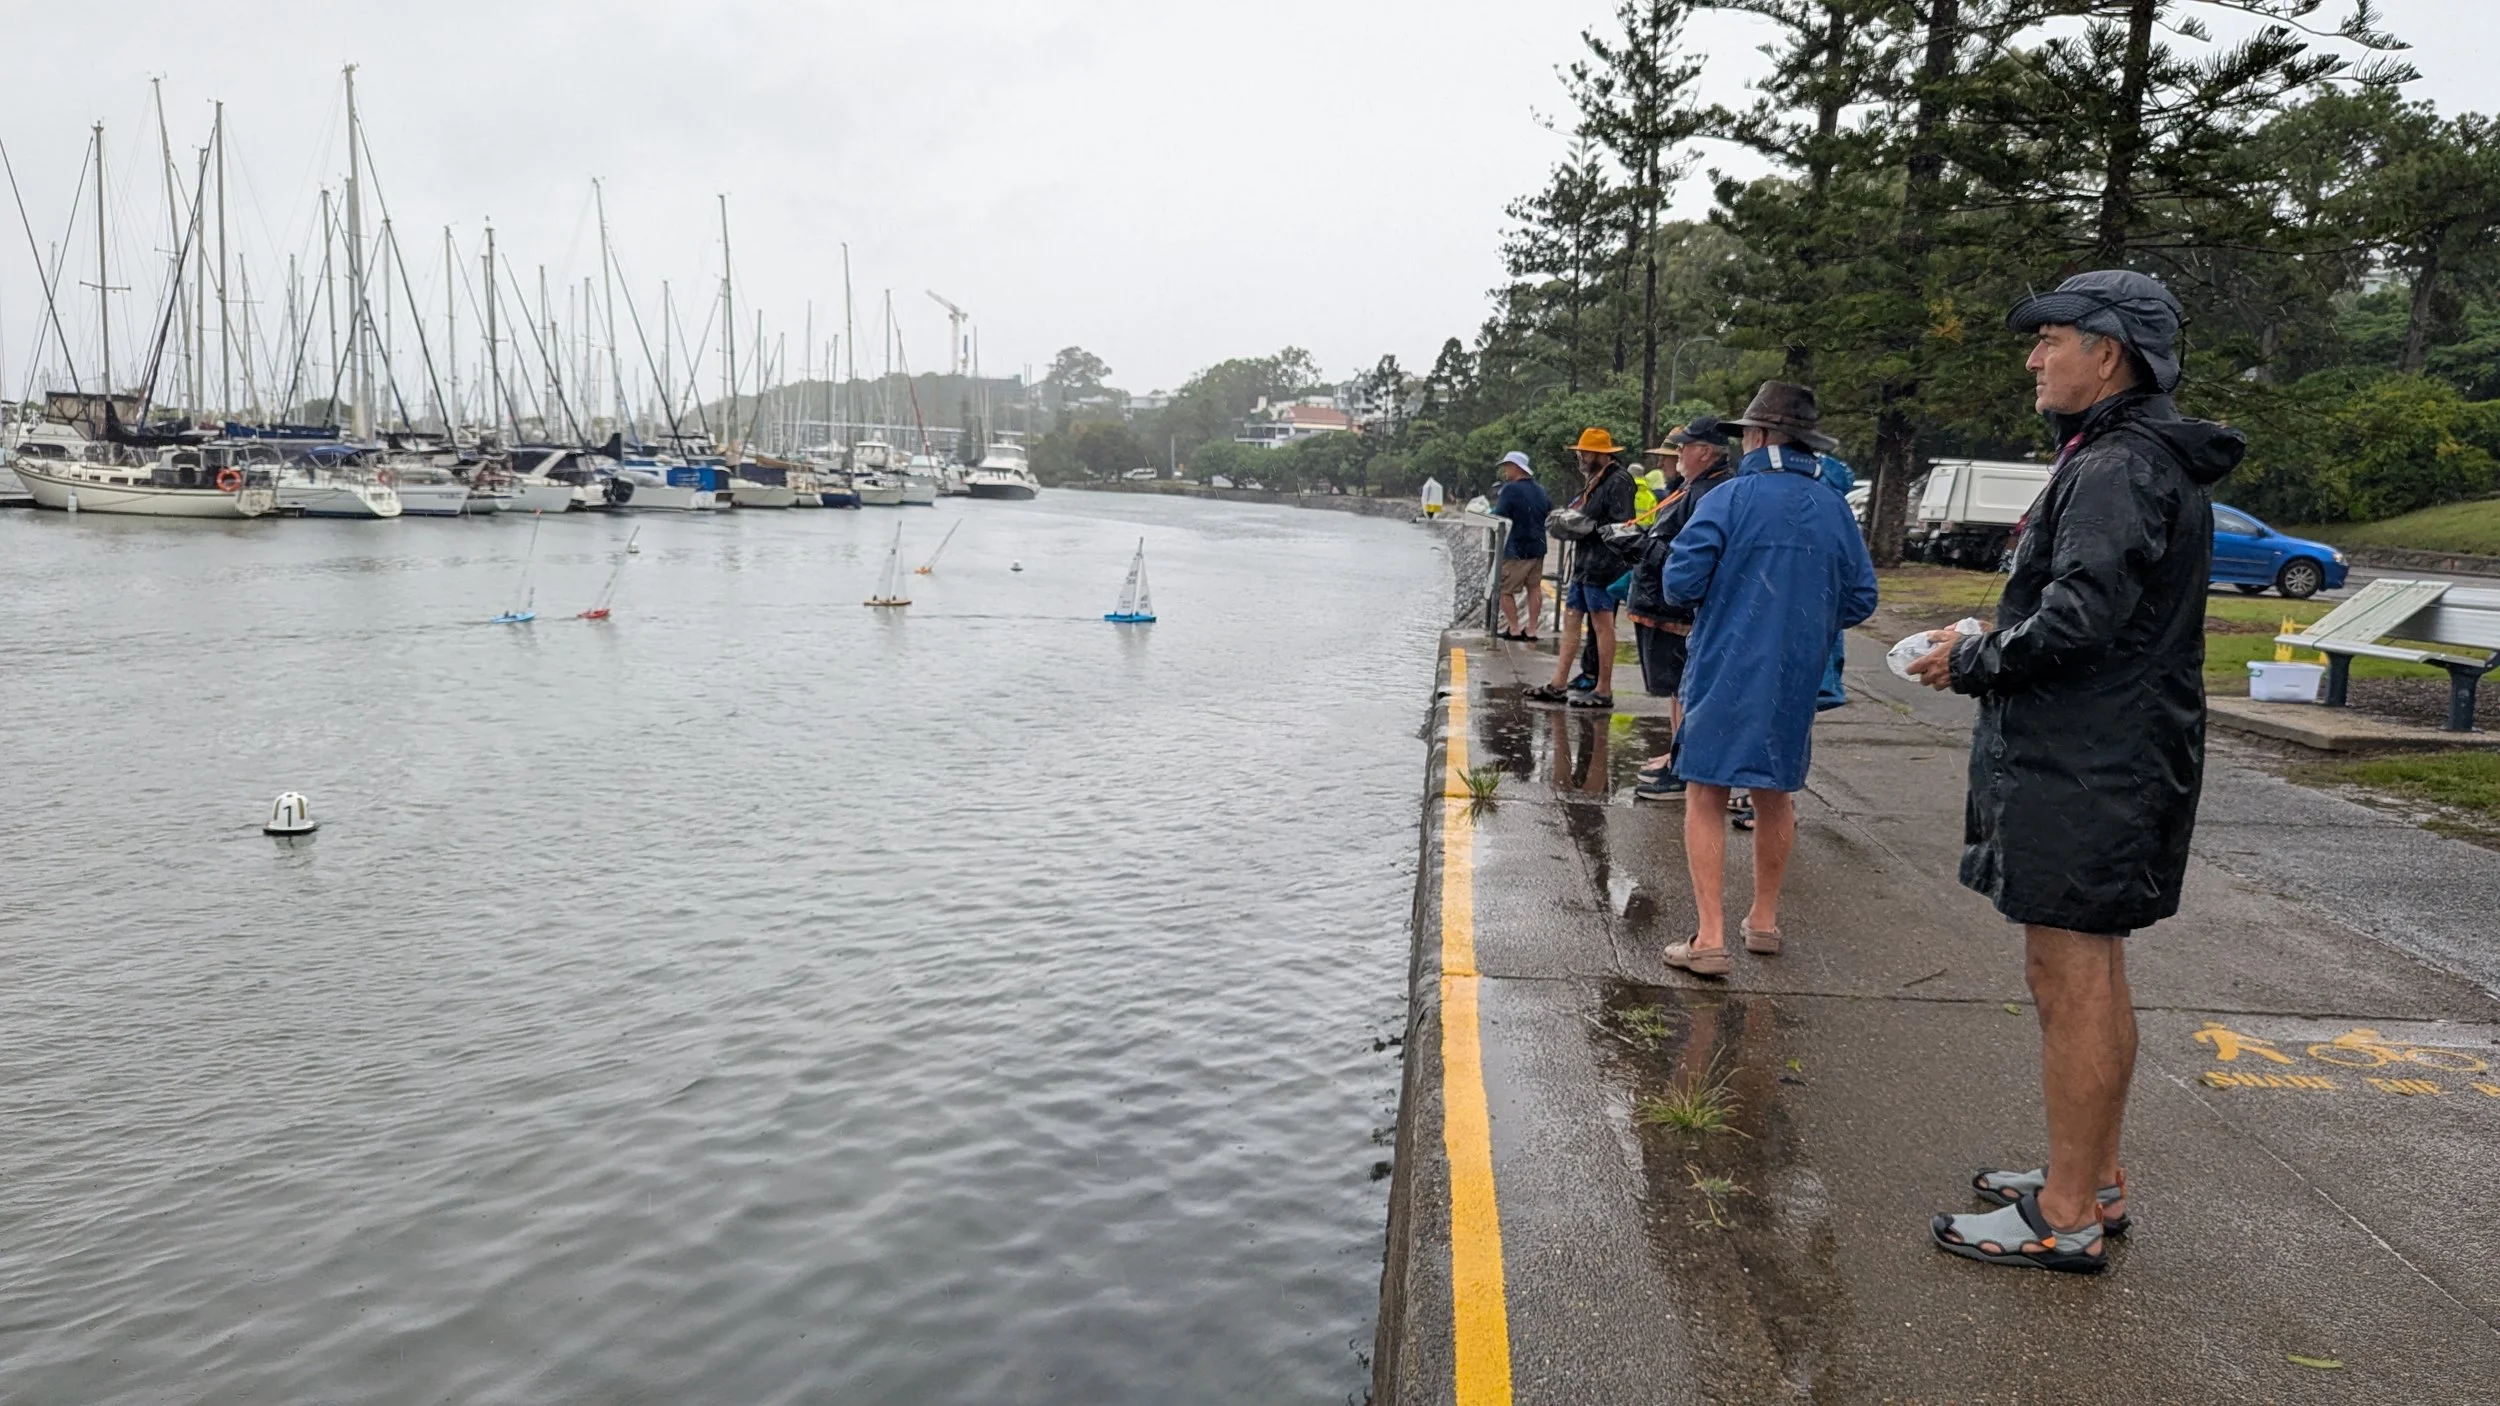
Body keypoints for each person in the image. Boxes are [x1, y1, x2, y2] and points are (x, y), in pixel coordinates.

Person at [1911, 270, 2243, 1275]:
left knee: (2074, 970)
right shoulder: (2129, 457)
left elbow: (2081, 620)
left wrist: (1971, 657)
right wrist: (1990, 628)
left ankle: (2063, 1212)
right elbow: (2094, 609)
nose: (2033, 355)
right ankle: (2090, 1176)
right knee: (2087, 967)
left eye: (2050, 337)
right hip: (2110, 752)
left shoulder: (2115, 464)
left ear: (2109, 352)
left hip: (2091, 760)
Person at [1658, 382, 1878, 979]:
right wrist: (1806, 620)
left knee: (1704, 789)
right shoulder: (1834, 507)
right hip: (1794, 672)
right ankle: (1763, 922)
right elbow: (1862, 597)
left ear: (1755, 437)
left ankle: (1709, 937)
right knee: (1775, 792)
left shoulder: (1729, 499)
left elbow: (1680, 584)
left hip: (1725, 661)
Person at [1624, 416, 1736, 803]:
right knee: (1676, 687)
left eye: (1684, 447)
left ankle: (1686, 765)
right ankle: (1678, 753)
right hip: (1666, 603)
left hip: (1679, 610)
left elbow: (1690, 556)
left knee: (1685, 689)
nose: (1678, 454)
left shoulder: (1711, 492)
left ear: (1704, 452)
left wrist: (1643, 548)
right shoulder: (1696, 487)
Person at [1527, 428, 1638, 710]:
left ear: (1601, 455)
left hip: (1604, 567)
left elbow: (1620, 525)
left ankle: (1604, 689)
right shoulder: (1594, 481)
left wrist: (1580, 525)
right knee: (1572, 620)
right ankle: (1558, 683)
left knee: (1602, 627)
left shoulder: (1619, 481)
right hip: (1584, 565)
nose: (1581, 458)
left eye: (1585, 453)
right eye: (1580, 453)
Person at [1489, 451, 1551, 642]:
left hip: (1517, 548)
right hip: (1538, 547)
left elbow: (1500, 514)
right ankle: (1532, 630)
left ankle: (1514, 629)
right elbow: (1548, 509)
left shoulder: (1510, 490)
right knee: (1534, 588)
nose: (1505, 471)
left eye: (1507, 466)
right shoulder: (1540, 490)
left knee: (1504, 589)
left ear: (1516, 468)